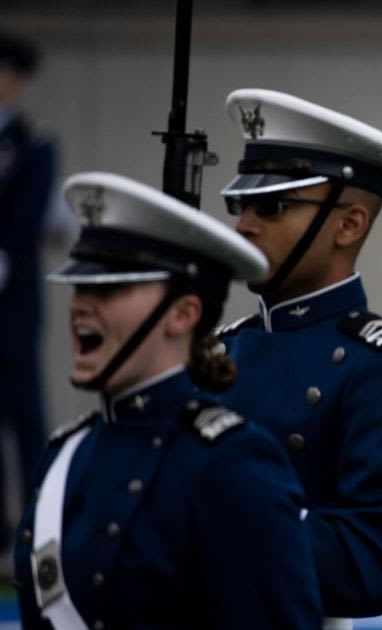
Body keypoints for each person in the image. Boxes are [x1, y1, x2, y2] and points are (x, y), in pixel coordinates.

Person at [10, 171, 322, 628]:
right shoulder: (64, 456)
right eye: (80, 285)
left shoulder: (232, 463)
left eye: (109, 288)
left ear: (182, 314)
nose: (81, 304)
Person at [214, 89, 382, 621]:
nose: (246, 225)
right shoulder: (221, 349)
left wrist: (217, 517)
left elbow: (369, 567)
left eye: (272, 206)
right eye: (242, 205)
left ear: (349, 225)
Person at [0, 30, 59, 559]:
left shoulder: (34, 144)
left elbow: (28, 220)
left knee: (25, 413)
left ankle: (39, 523)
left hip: (12, 302)